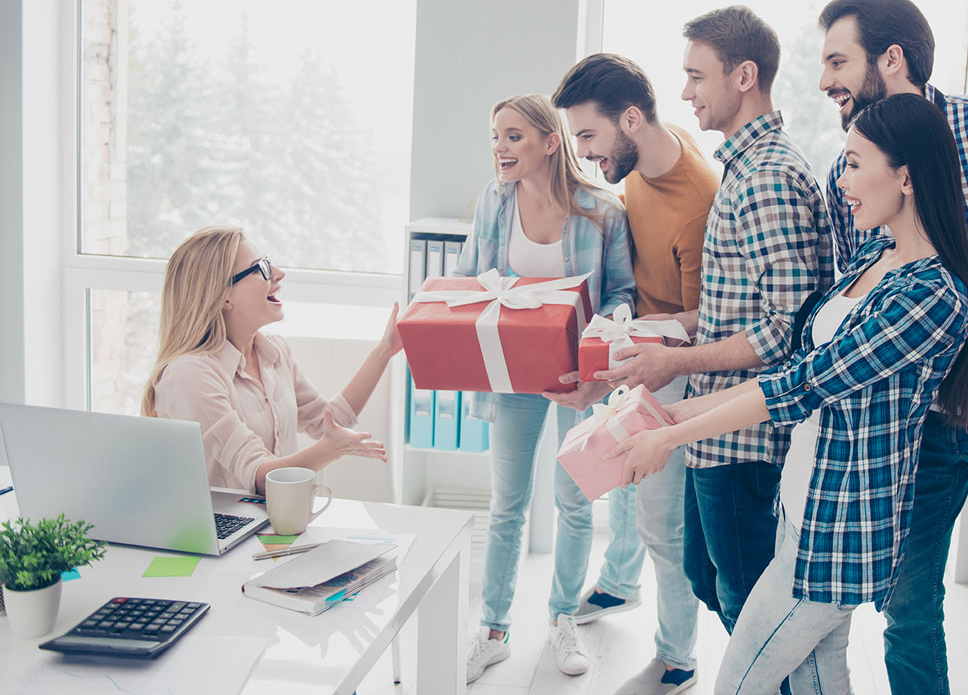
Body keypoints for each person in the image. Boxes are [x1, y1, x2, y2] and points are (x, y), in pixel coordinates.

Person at [610, 92, 968, 694]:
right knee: (818, 681)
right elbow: (799, 367)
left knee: (737, 682)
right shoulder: (874, 254)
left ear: (906, 176)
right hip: (800, 504)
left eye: (856, 163)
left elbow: (802, 385)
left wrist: (672, 434)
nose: (843, 179)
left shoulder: (932, 296)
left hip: (839, 533)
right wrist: (671, 411)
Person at [594, 6, 833, 640]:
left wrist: (673, 362)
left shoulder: (768, 179)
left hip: (745, 442)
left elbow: (785, 331)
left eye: (697, 76)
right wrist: (653, 343)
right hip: (710, 430)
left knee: (748, 611)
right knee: (707, 578)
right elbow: (734, 308)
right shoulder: (741, 169)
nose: (685, 93)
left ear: (744, 76)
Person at [817, 0, 968, 694]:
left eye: (839, 60)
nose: (826, 80)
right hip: (920, 429)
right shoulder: (846, 175)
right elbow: (854, 294)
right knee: (908, 609)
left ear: (890, 59)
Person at [548, 53, 718, 695]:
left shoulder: (699, 198)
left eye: (588, 137)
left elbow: (707, 319)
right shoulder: (641, 164)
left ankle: (678, 659)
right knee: (605, 479)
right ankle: (619, 586)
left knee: (660, 522)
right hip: (634, 355)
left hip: (672, 369)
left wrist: (633, 367)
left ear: (630, 119)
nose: (586, 153)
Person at [458, 94, 636, 683]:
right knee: (506, 505)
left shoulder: (602, 211)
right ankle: (493, 630)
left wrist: (593, 347)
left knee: (574, 501)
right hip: (511, 372)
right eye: (495, 136)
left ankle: (563, 618)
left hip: (575, 377)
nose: (500, 148)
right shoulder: (493, 200)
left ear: (549, 142)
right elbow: (467, 279)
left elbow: (622, 295)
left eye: (513, 136)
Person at [142, 226, 400, 494]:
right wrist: (328, 450)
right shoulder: (190, 375)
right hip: (223, 531)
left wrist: (385, 349)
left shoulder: (274, 353)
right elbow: (260, 475)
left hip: (279, 525)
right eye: (261, 268)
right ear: (224, 297)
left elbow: (330, 424)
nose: (278, 273)